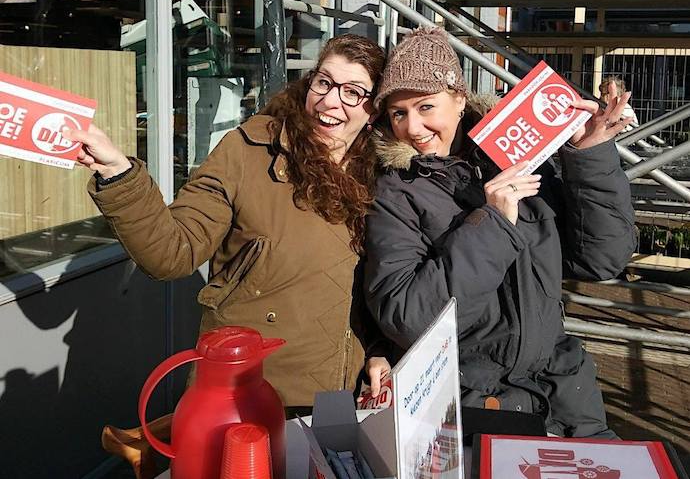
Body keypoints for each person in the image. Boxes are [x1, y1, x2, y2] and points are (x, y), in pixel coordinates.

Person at [64, 34, 391, 408]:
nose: (330, 101)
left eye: (352, 92)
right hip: (248, 394)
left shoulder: (383, 173)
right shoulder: (249, 152)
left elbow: (383, 285)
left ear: (373, 110)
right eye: (324, 82)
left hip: (347, 397)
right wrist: (118, 173)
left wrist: (379, 349)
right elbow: (171, 252)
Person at [364, 27, 638, 438]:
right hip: (468, 403)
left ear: (460, 99)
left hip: (564, 395)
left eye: (425, 106)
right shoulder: (396, 192)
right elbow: (407, 317)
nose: (413, 127)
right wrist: (491, 224)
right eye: (398, 113)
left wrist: (589, 158)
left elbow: (601, 260)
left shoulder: (519, 155)